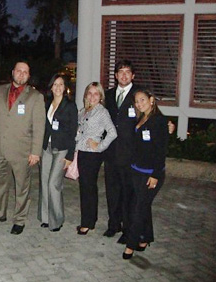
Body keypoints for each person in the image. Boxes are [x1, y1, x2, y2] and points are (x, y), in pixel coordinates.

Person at [0, 61, 46, 235]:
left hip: (22, 150)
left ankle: (19, 219)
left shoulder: (35, 97)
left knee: (22, 187)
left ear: (28, 75)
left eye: (25, 71)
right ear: (13, 72)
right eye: (19, 70)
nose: (21, 74)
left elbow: (39, 127)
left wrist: (35, 151)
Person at [122, 89, 168, 259]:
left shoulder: (159, 121)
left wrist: (155, 174)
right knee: (143, 206)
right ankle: (145, 238)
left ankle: (130, 244)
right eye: (137, 101)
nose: (139, 104)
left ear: (151, 100)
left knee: (138, 209)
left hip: (151, 174)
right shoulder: (141, 117)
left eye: (142, 100)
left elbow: (161, 150)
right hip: (137, 171)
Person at [103, 60, 139, 243]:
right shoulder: (108, 95)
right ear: (115, 75)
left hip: (130, 154)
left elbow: (151, 114)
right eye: (120, 72)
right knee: (112, 191)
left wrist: (166, 124)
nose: (124, 75)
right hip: (110, 153)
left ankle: (128, 229)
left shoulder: (138, 95)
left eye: (127, 72)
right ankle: (113, 224)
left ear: (133, 75)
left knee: (128, 193)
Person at [76, 82, 117, 235]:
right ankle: (89, 219)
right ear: (86, 95)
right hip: (82, 151)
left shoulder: (102, 112)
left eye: (96, 93)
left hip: (92, 155)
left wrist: (99, 146)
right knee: (85, 187)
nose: (92, 96)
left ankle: (87, 222)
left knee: (88, 187)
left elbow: (112, 132)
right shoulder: (83, 111)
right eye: (90, 93)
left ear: (100, 97)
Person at [38, 74, 77, 232]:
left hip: (62, 149)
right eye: (55, 84)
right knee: (44, 182)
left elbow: (73, 131)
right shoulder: (47, 104)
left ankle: (57, 220)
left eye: (61, 84)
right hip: (46, 147)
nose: (58, 87)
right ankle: (47, 217)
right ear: (51, 87)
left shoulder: (70, 106)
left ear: (65, 87)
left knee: (54, 184)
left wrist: (70, 155)